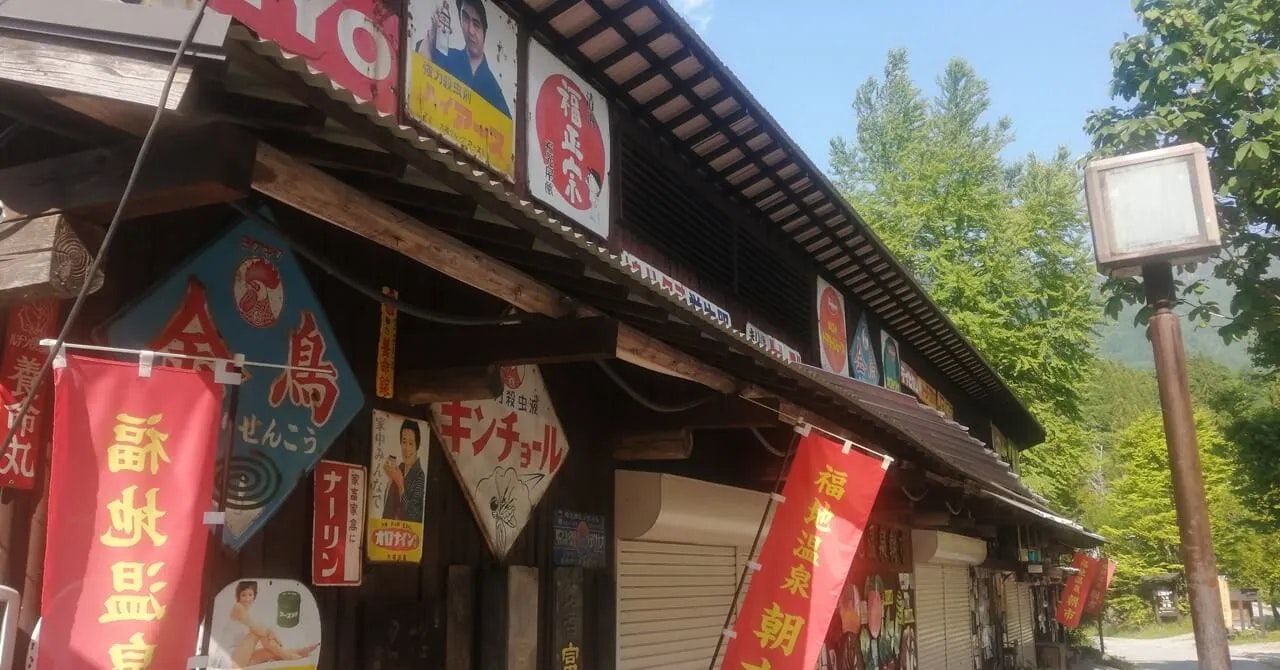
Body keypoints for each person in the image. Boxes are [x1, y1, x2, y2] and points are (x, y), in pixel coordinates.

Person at [419, 0, 511, 117]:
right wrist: (431, 35)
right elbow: (420, 70)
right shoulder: (447, 57)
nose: (470, 30)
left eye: (476, 24)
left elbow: (506, 129)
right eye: (465, 18)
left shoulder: (493, 89)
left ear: (485, 32)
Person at [220, 581, 319, 669]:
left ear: (255, 595)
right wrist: (272, 634)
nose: (247, 598)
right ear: (238, 596)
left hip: (243, 657)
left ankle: (300, 651)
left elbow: (259, 629)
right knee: (256, 634)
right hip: (230, 658)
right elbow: (256, 629)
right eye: (244, 595)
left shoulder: (247, 611)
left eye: (250, 594)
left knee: (271, 652)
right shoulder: (238, 608)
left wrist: (270, 635)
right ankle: (289, 655)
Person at [382, 420, 427, 523]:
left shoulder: (420, 475)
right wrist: (390, 480)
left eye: (411, 443)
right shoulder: (400, 468)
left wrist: (400, 485)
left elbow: (413, 515)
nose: (406, 448)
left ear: (417, 445)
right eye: (404, 442)